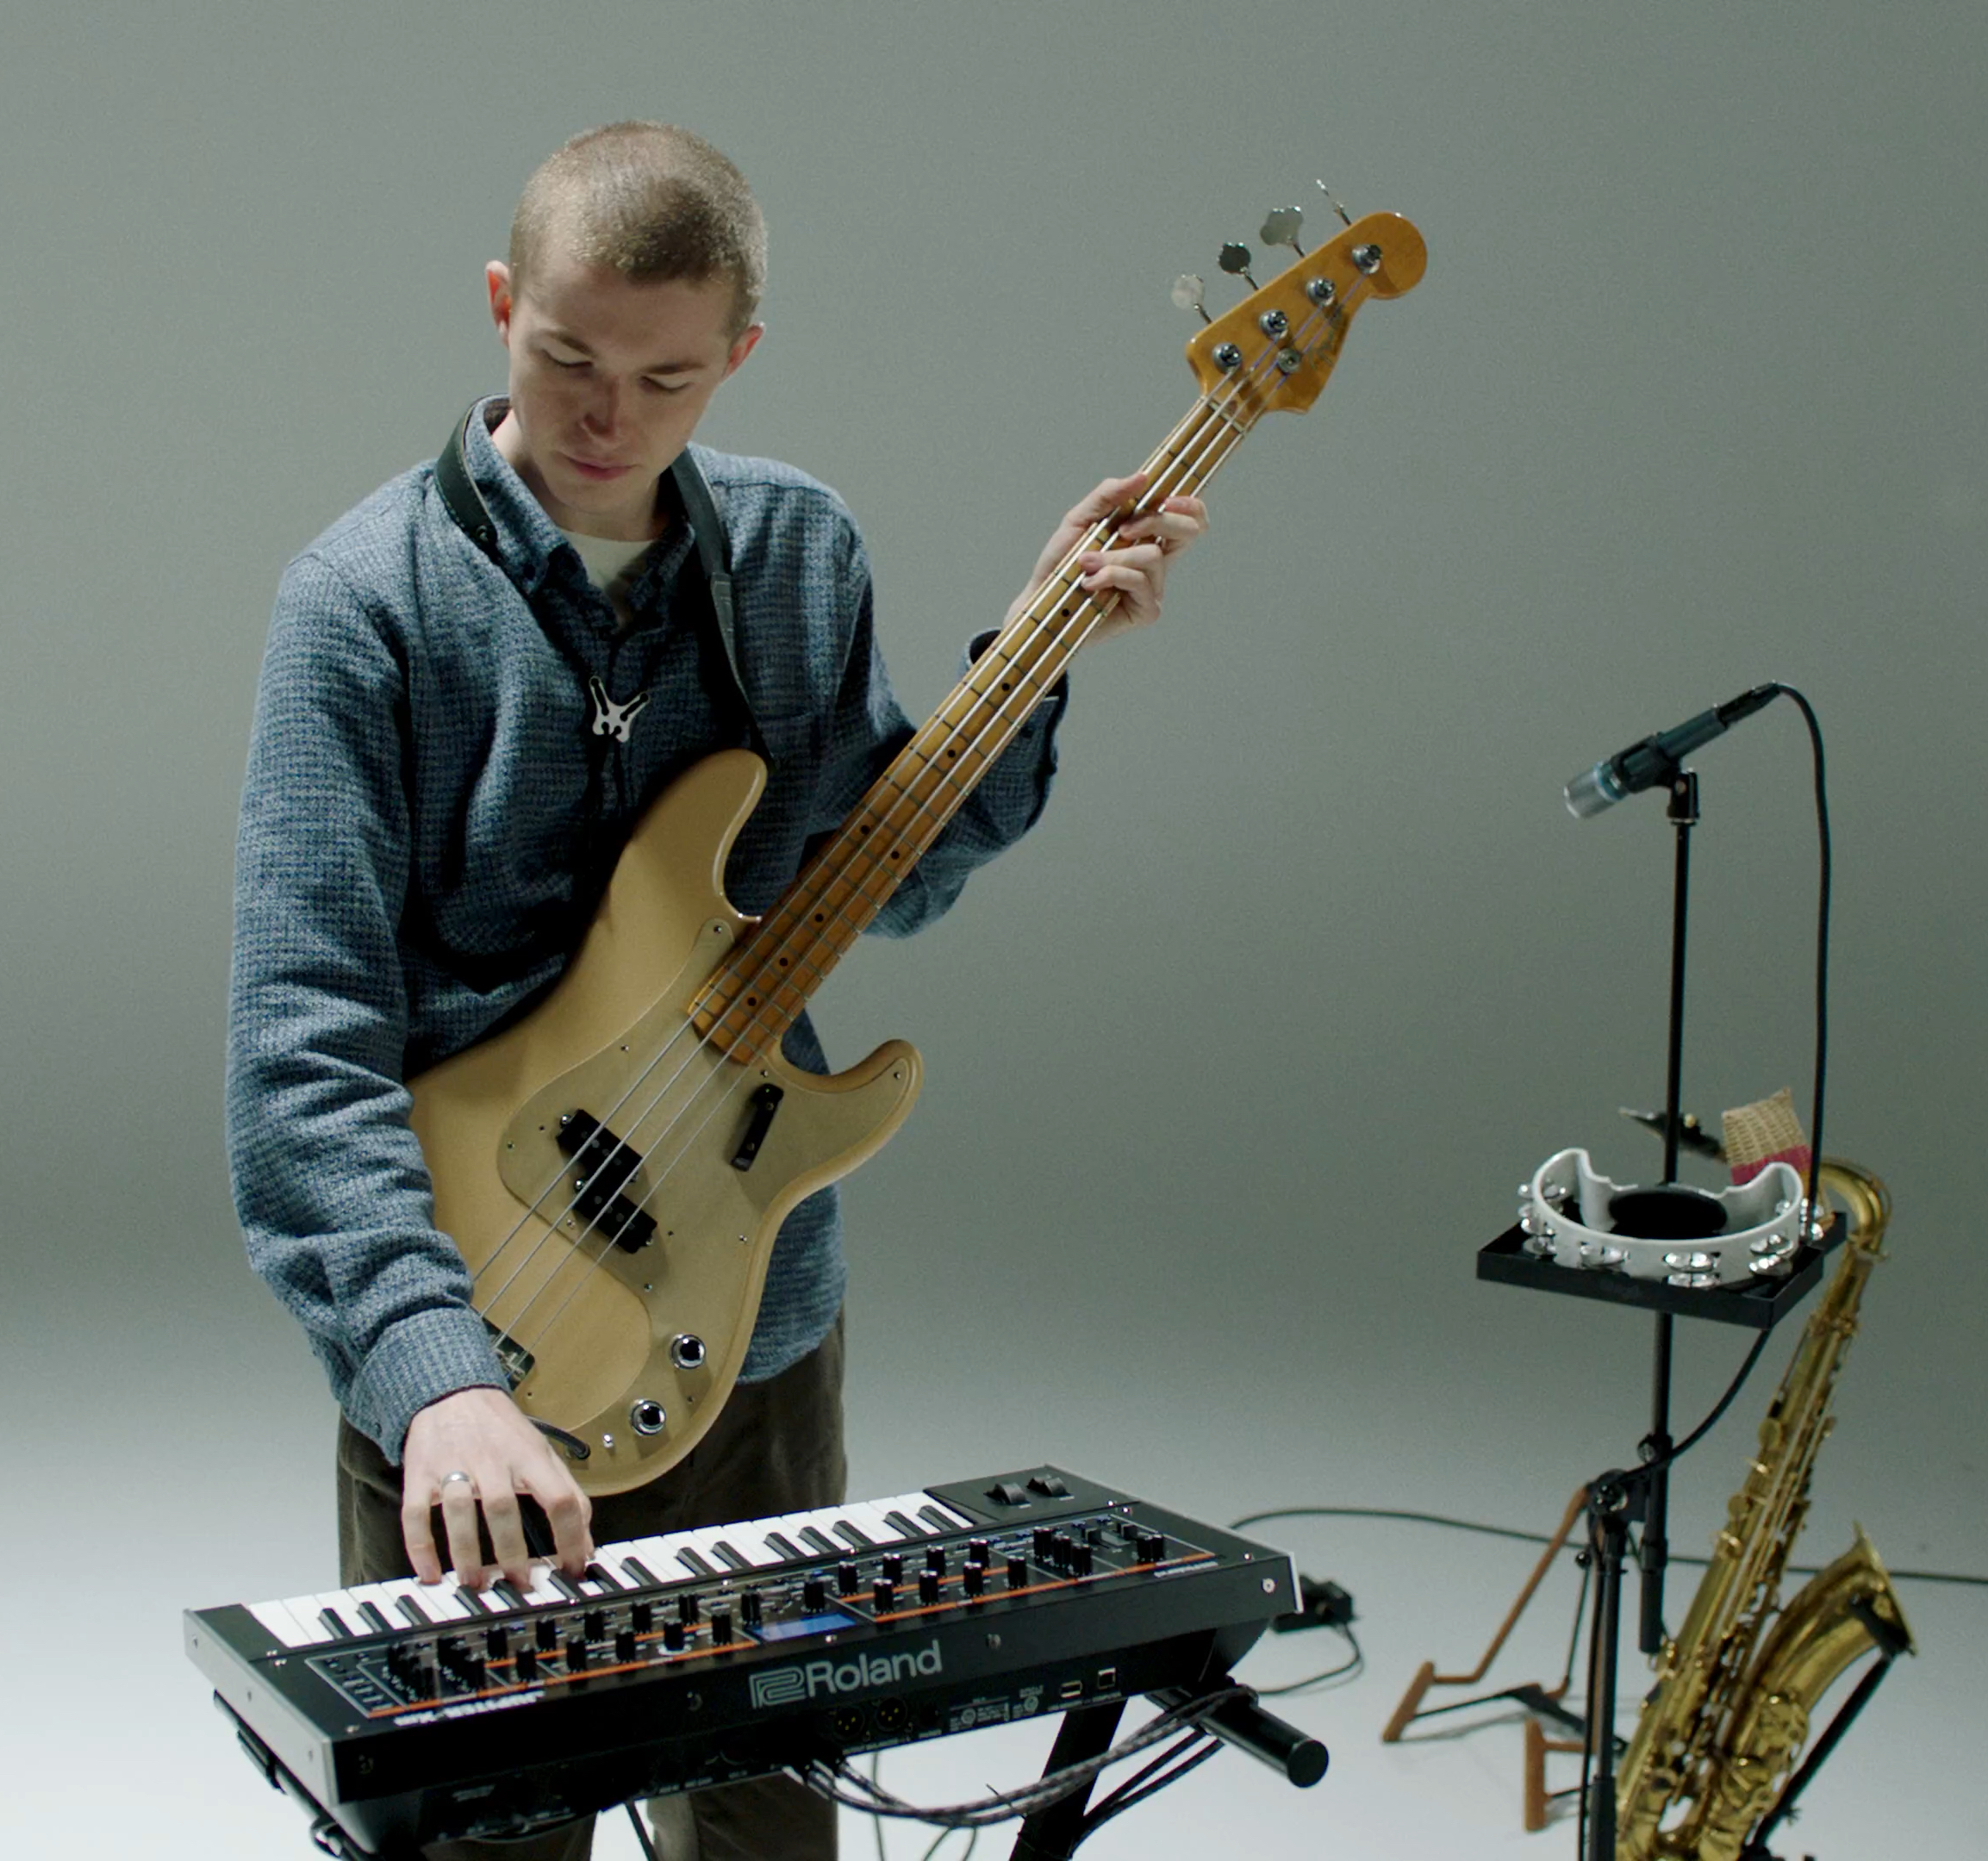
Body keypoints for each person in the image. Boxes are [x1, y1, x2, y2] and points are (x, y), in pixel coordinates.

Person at [227, 121, 1203, 1861]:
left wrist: (1038, 656)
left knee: (764, 1822)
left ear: (739, 353)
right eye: (566, 359)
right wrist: (435, 1376)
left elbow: (880, 878)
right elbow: (303, 1047)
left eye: (666, 379)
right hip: (473, 1308)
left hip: (748, 1302)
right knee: (479, 1829)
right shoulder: (361, 602)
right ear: (501, 303)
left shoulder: (795, 554)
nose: (607, 418)